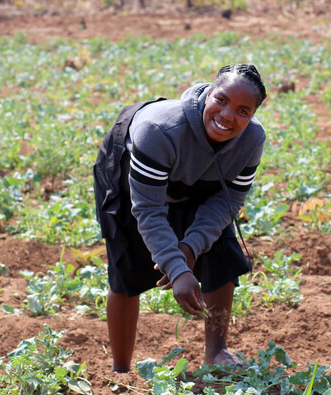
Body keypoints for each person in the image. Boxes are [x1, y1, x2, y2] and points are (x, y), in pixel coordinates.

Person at [93, 64, 267, 373]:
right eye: (222, 100)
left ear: (252, 115)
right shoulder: (160, 130)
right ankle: (120, 370)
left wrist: (189, 249)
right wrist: (176, 268)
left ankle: (216, 352)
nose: (228, 115)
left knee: (222, 251)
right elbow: (147, 209)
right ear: (208, 93)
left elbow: (229, 201)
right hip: (128, 172)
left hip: (201, 178)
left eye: (243, 111)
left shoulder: (250, 141)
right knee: (126, 267)